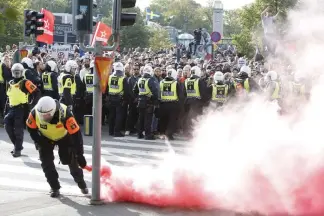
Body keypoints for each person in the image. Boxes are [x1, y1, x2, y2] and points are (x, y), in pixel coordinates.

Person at [26, 96, 88, 198]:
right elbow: (31, 129)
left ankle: (81, 184)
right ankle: (54, 187)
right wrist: (40, 142)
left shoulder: (65, 114)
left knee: (71, 161)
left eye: (47, 115)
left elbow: (76, 135)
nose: (43, 118)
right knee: (46, 163)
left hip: (64, 136)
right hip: (45, 138)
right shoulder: (34, 113)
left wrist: (80, 154)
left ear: (53, 111)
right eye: (42, 115)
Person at [5, 63, 41, 157]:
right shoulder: (10, 83)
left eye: (18, 72)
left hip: (22, 108)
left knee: (18, 130)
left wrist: (32, 104)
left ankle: (17, 149)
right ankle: (17, 146)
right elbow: (8, 98)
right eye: (15, 72)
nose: (16, 74)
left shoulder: (25, 82)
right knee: (7, 126)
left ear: (21, 72)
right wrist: (6, 109)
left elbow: (37, 92)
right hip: (11, 108)